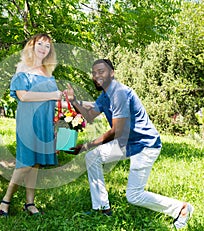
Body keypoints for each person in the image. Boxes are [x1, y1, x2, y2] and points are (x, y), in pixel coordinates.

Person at [65, 59, 194, 229]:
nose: (96, 76)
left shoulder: (120, 94)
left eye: (101, 71)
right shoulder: (105, 95)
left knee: (134, 195)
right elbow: (89, 115)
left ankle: (181, 208)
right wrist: (73, 101)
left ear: (112, 73)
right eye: (94, 73)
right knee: (93, 157)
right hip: (128, 143)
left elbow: (115, 131)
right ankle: (102, 208)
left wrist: (84, 146)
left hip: (145, 145)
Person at [0, 33, 62, 217]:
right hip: (27, 120)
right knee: (25, 162)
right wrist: (52, 95)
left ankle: (30, 203)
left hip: (45, 121)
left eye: (47, 46)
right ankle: (6, 200)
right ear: (31, 46)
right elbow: (23, 96)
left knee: (36, 163)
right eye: (40, 44)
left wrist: (73, 105)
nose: (43, 48)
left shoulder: (48, 72)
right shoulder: (23, 68)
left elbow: (55, 100)